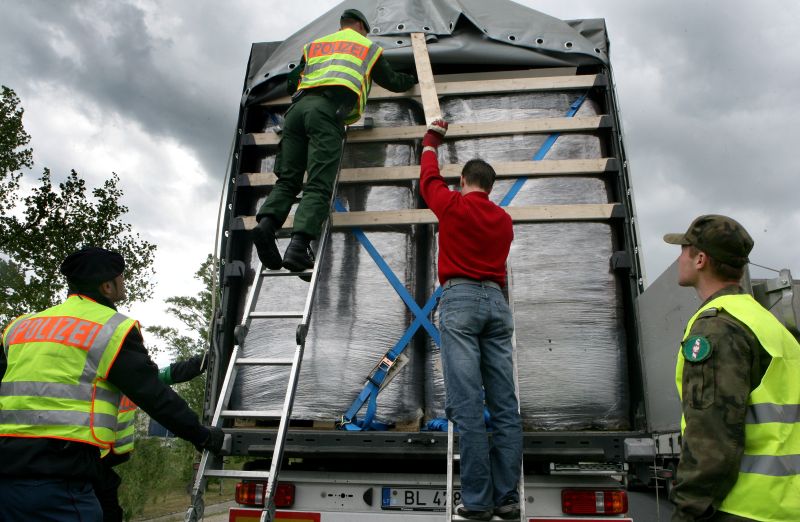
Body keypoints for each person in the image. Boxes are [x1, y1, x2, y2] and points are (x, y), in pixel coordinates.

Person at [0, 246, 225, 521]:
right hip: (62, 476)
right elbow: (152, 392)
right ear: (107, 286)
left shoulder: (21, 327)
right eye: (121, 278)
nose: (124, 283)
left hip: (9, 472)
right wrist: (201, 435)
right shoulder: (110, 328)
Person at [252, 8, 417, 274]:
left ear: (342, 26)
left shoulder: (316, 45)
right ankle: (298, 247)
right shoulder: (366, 46)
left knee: (288, 180)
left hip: (295, 113)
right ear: (362, 26)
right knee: (318, 184)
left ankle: (266, 225)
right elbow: (393, 81)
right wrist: (413, 78)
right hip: (325, 113)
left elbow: (294, 82)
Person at [664, 215, 800, 521]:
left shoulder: (717, 327)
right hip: (783, 507)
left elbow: (712, 436)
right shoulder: (767, 322)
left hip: (742, 507)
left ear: (700, 259)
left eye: (683, 249)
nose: (678, 258)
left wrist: (689, 511)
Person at [419, 119, 522, 521]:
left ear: (462, 180)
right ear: (491, 187)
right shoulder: (503, 220)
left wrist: (431, 139)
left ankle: (477, 501)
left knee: (467, 403)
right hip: (497, 302)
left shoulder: (452, 204)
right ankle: (507, 498)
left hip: (460, 301)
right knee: (503, 406)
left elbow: (427, 178)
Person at [93, 354, 209, 522]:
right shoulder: (99, 375)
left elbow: (171, 373)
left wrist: (202, 361)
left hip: (105, 462)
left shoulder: (132, 374)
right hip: (88, 459)